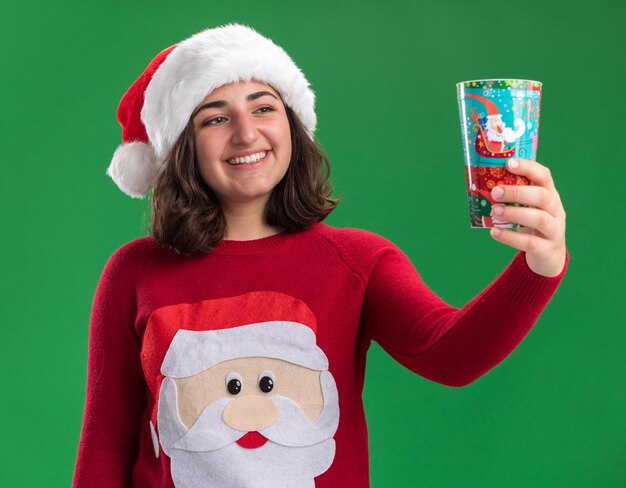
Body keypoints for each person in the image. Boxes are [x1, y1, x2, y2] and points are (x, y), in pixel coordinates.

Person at [73, 23, 568, 488]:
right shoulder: (133, 273)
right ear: (184, 147)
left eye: (263, 107)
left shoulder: (358, 261)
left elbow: (452, 356)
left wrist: (539, 267)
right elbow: (102, 453)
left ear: (292, 126)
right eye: (216, 118)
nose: (246, 133)